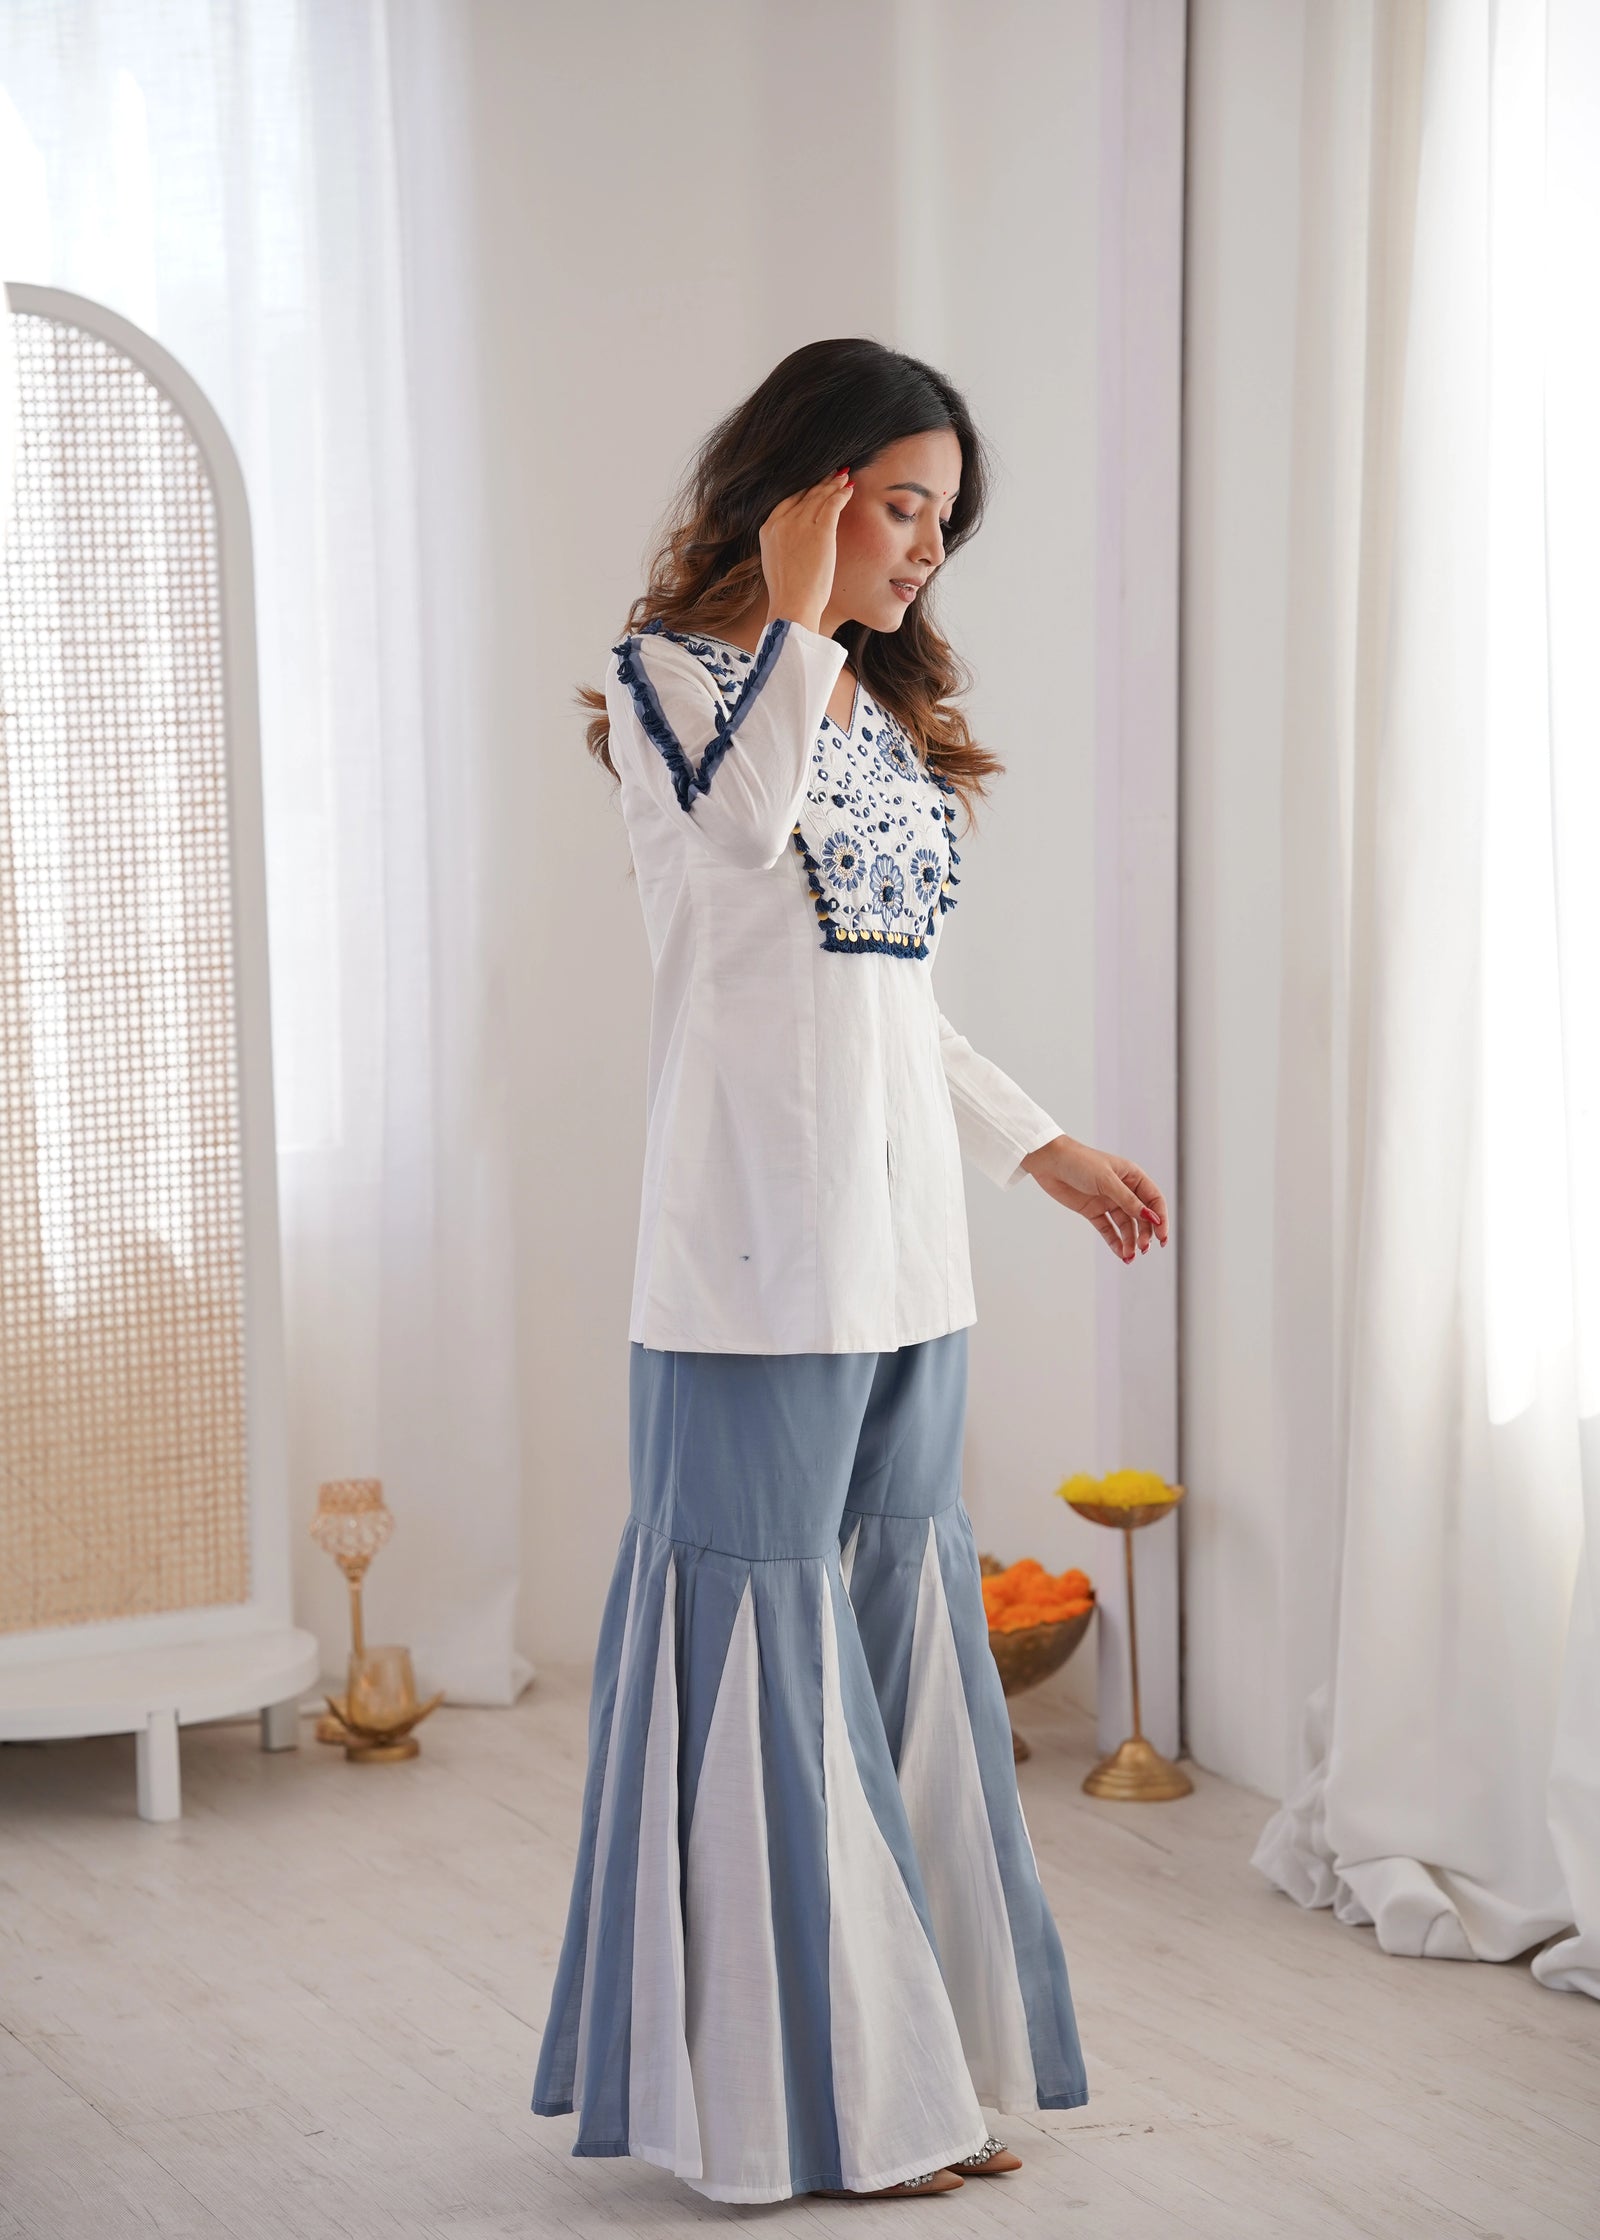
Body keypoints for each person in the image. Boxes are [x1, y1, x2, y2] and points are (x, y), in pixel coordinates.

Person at [530, 337, 1171, 2205]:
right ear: (802, 493)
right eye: (902, 506)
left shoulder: (877, 722)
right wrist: (803, 626)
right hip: (747, 1263)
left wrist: (1040, 1142)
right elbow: (736, 834)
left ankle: (926, 2075)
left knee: (895, 1643)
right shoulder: (677, 681)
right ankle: (808, 2104)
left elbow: (891, 1006)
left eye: (943, 522)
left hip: (908, 1257)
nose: (925, 553)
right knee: (765, 1657)